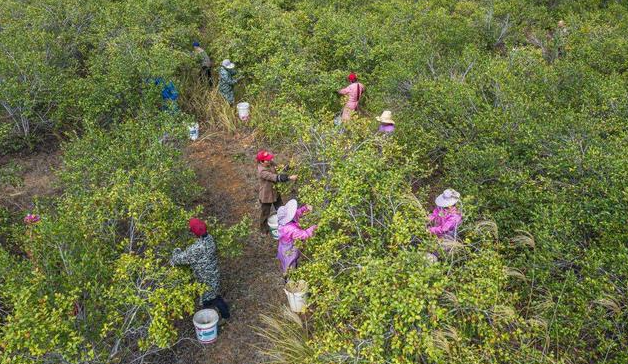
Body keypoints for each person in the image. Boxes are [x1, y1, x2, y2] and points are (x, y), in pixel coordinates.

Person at [171, 218, 230, 319]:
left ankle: (223, 316)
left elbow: (180, 259)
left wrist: (176, 251)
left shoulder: (197, 248)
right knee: (214, 295)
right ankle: (225, 310)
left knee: (209, 300)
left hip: (205, 279)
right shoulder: (209, 238)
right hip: (214, 274)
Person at [257, 150, 297, 235]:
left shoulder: (270, 163)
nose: (270, 160)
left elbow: (280, 169)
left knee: (281, 209)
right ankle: (263, 230)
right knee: (265, 213)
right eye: (267, 159)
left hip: (275, 192)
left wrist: (289, 166)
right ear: (261, 161)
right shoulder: (262, 171)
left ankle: (285, 226)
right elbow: (276, 177)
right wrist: (289, 178)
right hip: (266, 196)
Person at [276, 199, 317, 276]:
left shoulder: (285, 222)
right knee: (290, 265)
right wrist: (315, 227)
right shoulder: (290, 229)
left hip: (283, 247)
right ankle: (289, 280)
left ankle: (289, 274)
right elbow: (305, 235)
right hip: (288, 249)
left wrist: (305, 208)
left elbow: (297, 213)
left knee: (286, 262)